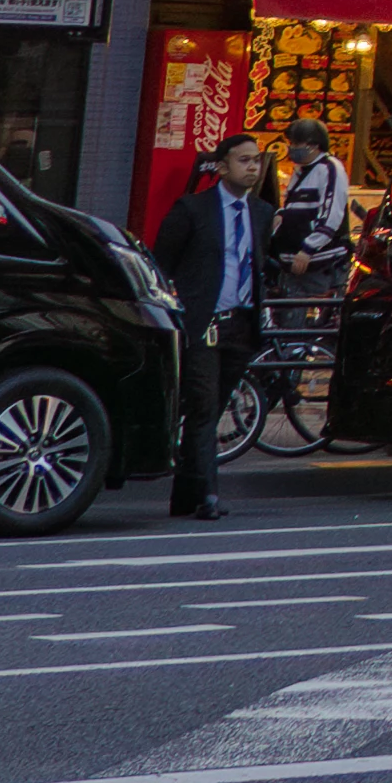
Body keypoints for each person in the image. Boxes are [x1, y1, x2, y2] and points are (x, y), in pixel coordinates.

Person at [146, 134, 279, 519]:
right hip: (203, 322)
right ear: (221, 167)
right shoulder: (192, 208)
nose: (253, 167)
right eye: (243, 160)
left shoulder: (262, 212)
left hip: (241, 322)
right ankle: (209, 495)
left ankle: (185, 495)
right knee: (203, 407)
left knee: (214, 406)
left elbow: (262, 262)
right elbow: (161, 262)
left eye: (257, 160)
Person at [267, 123, 355, 303]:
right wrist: (282, 215)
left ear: (314, 145)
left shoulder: (330, 168)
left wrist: (308, 249)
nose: (291, 149)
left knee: (316, 323)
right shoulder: (300, 171)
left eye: (296, 144)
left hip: (320, 266)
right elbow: (292, 204)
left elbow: (332, 214)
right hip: (292, 266)